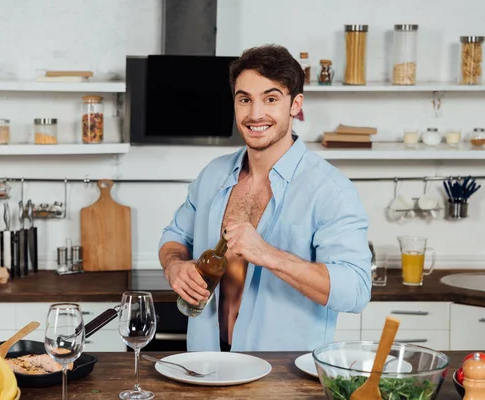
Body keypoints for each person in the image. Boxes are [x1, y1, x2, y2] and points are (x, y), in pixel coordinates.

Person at [158, 44, 372, 352]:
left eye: (271, 99)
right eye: (245, 99)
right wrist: (174, 267)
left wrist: (268, 255)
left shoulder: (329, 189)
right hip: (205, 362)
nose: (255, 114)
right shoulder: (213, 175)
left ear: (295, 105)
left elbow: (355, 290)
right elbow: (175, 236)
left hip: (283, 377)